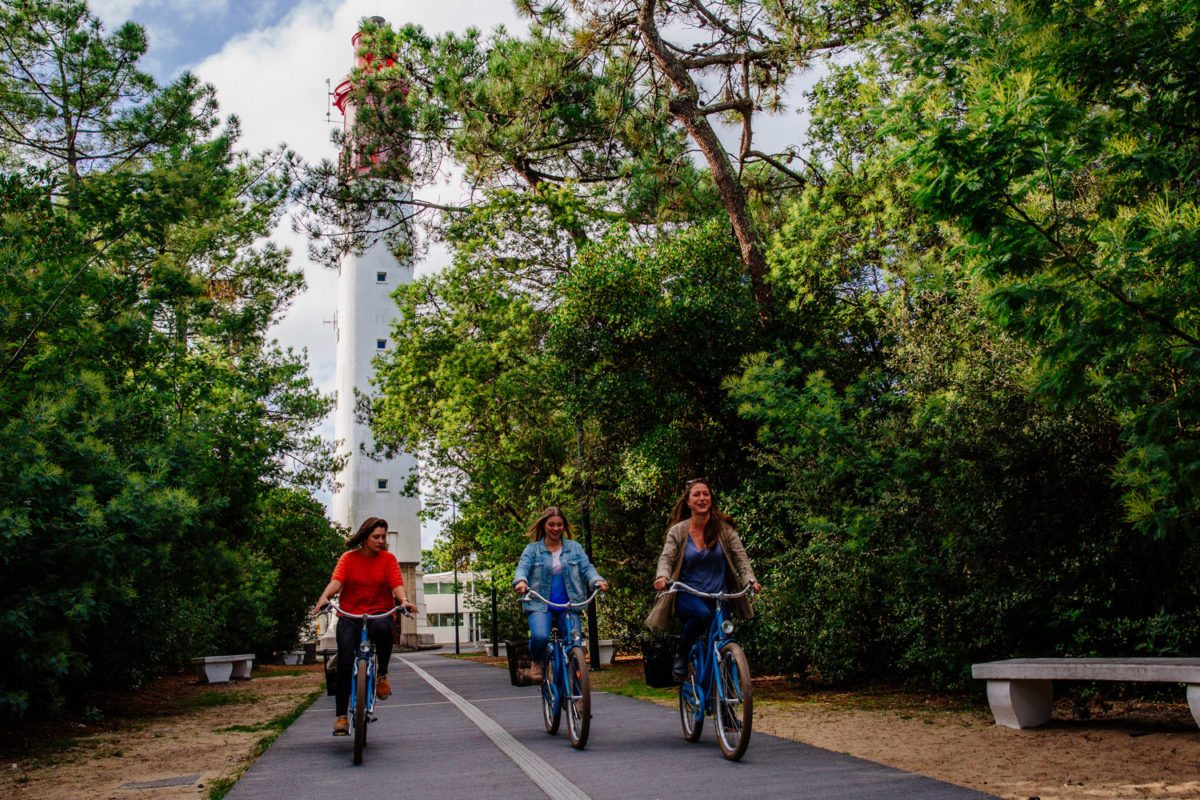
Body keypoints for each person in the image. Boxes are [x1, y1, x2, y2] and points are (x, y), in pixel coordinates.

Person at [646, 479, 761, 681]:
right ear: (688, 502)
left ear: (711, 499)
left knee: (725, 639)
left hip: (720, 596)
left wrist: (750, 580)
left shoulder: (724, 530)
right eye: (696, 495)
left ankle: (726, 699)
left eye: (705, 494)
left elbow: (740, 558)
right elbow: (667, 557)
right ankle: (682, 654)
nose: (702, 498)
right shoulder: (678, 531)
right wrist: (662, 576)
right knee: (701, 615)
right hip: (689, 595)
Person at [314, 517, 417, 736]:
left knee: (384, 629)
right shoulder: (348, 559)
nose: (381, 540)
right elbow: (337, 582)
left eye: (383, 537)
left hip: (378, 612)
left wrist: (404, 601)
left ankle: (382, 675)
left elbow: (396, 583)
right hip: (350, 614)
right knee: (344, 661)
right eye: (376, 537)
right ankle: (341, 716)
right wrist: (325, 597)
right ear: (364, 537)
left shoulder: (388, 560)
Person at [513, 506, 608, 682]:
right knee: (540, 637)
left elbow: (587, 568)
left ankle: (577, 693)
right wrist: (521, 581)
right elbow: (522, 567)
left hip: (569, 605)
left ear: (563, 526)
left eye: (559, 525)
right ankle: (537, 660)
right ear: (544, 526)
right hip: (541, 605)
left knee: (574, 645)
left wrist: (597, 580)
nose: (555, 529)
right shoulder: (533, 550)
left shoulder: (574, 548)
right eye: (551, 525)